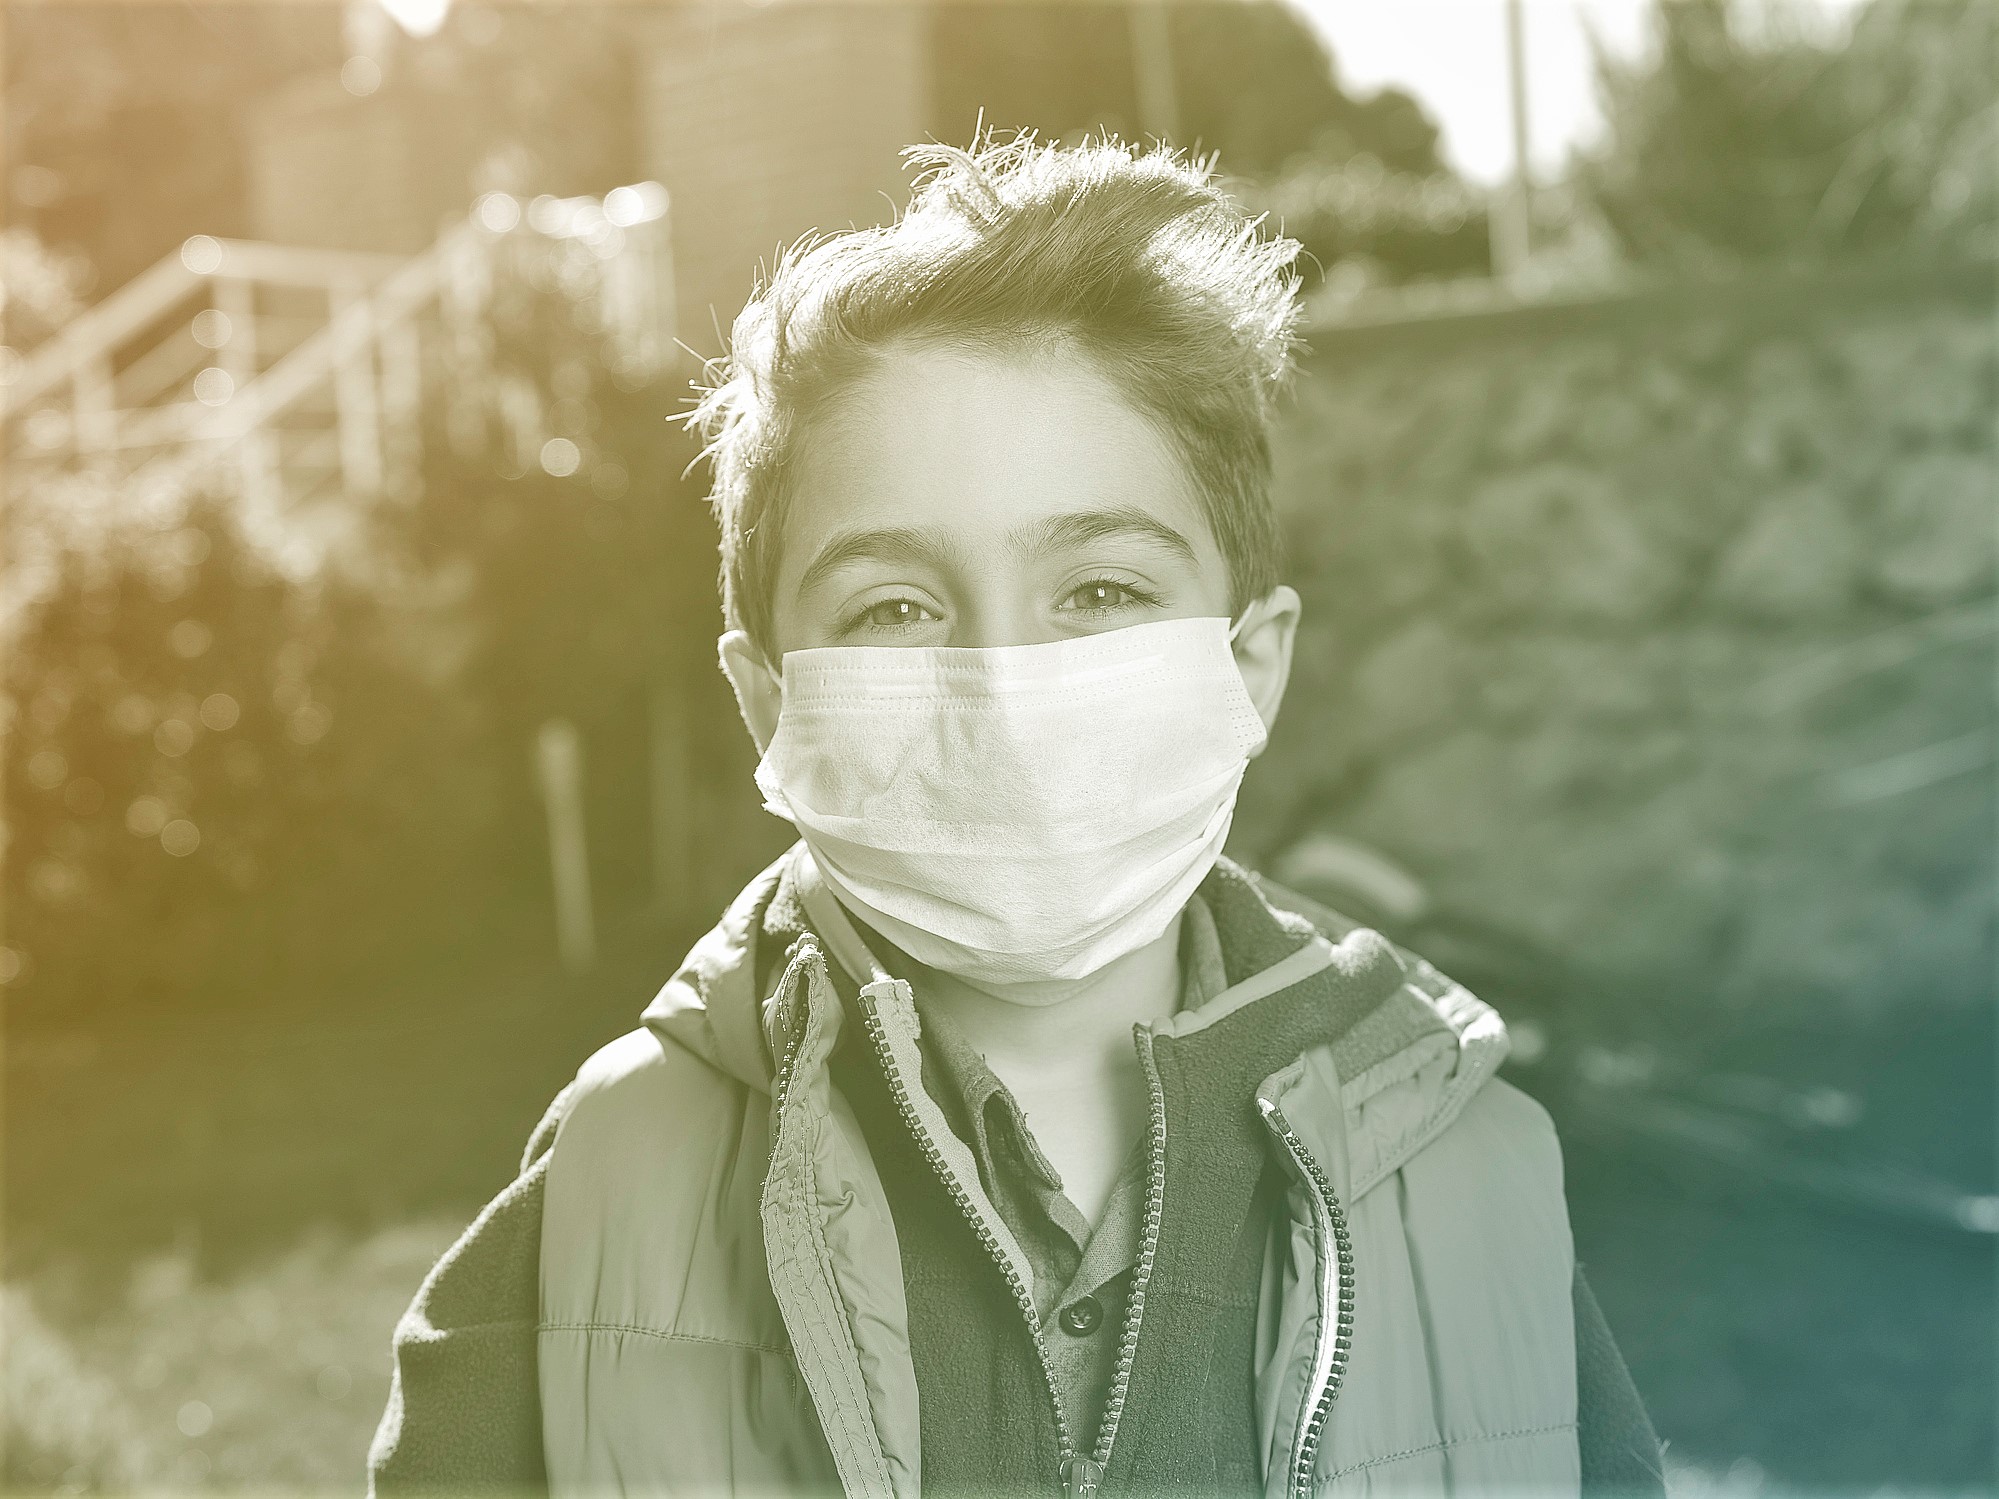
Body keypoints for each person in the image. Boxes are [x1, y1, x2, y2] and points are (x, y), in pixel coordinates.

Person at [367, 134, 1664, 1497]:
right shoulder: (605, 1205)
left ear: (1250, 663)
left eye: (1100, 592)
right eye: (894, 608)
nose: (1002, 686)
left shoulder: (1468, 1179)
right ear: (770, 705)